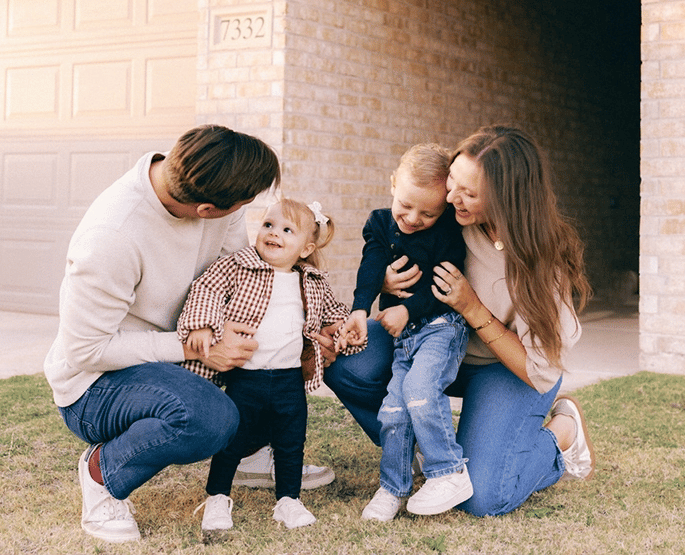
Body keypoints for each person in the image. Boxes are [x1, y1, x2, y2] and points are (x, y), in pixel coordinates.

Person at [44, 125, 328, 544]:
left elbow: (236, 273)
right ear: (208, 209)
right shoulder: (111, 237)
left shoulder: (209, 185)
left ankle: (247, 451)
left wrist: (298, 327)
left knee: (273, 368)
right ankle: (103, 473)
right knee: (209, 418)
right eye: (245, 206)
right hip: (97, 384)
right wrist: (197, 346)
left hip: (182, 358)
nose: (248, 214)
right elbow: (86, 350)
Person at [323, 125, 595, 517]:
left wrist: (473, 308)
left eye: (468, 193)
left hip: (506, 369)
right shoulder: (446, 214)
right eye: (453, 181)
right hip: (432, 343)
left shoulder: (542, 262)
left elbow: (537, 370)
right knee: (347, 362)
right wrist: (383, 281)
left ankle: (563, 436)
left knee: (482, 497)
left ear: (507, 200)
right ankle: (421, 450)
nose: (451, 197)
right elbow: (392, 244)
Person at [178, 199, 363, 531]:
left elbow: (332, 311)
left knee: (291, 440)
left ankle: (288, 500)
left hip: (289, 378)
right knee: (231, 439)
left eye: (287, 230)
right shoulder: (237, 266)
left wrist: (339, 329)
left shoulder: (313, 281)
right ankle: (218, 497)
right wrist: (203, 324)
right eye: (268, 225)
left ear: (306, 248)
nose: (274, 233)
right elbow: (206, 288)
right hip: (245, 376)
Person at [342, 143, 470, 520]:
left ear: (444, 207)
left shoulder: (448, 233)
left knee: (418, 390)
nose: (412, 218)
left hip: (442, 327)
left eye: (428, 212)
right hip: (406, 336)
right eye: (406, 205)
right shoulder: (380, 223)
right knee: (394, 410)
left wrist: (405, 308)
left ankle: (449, 470)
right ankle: (391, 488)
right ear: (394, 184)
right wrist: (360, 309)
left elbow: (444, 287)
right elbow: (371, 265)